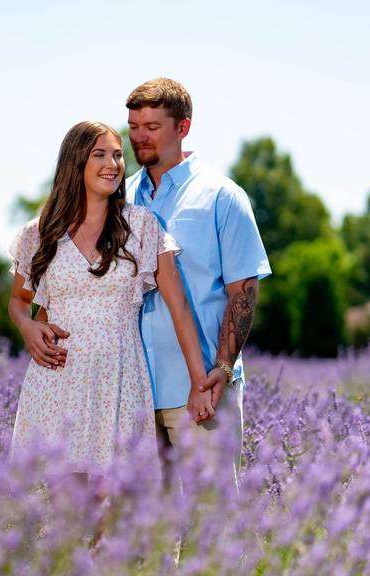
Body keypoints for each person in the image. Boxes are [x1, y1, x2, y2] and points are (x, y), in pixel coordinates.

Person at [7, 121, 214, 482]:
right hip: (57, 382)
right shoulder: (39, 233)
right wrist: (28, 327)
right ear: (75, 163)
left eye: (118, 155)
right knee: (63, 518)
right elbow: (19, 301)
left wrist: (199, 382)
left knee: (113, 515)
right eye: (100, 154)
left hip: (119, 383)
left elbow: (179, 306)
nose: (114, 164)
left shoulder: (143, 227)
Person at [124, 78, 272, 487]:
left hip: (201, 391)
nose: (140, 137)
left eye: (152, 127)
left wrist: (221, 370)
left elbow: (243, 292)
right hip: (133, 394)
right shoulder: (121, 198)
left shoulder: (221, 196)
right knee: (145, 534)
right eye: (134, 126)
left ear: (183, 128)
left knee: (211, 526)